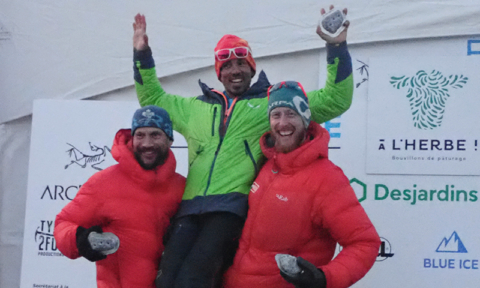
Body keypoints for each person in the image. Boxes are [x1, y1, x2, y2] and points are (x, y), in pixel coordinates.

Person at [132, 6, 354, 288]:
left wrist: (336, 46)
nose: (234, 70)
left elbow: (336, 99)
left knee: (193, 280)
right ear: (218, 73)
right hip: (189, 208)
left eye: (241, 64)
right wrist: (142, 54)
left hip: (230, 209)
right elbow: (151, 96)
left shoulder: (271, 105)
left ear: (251, 67)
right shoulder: (194, 108)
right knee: (164, 280)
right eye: (226, 66)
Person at [223, 81, 381, 288]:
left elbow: (365, 243)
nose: (282, 123)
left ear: (305, 119)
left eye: (291, 114)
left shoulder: (326, 179)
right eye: (276, 115)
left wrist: (325, 278)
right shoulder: (267, 164)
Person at [54, 106, 186, 288]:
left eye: (155, 135)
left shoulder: (183, 187)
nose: (147, 143)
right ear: (132, 139)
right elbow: (63, 223)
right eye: (140, 135)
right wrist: (80, 240)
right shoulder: (103, 183)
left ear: (170, 140)